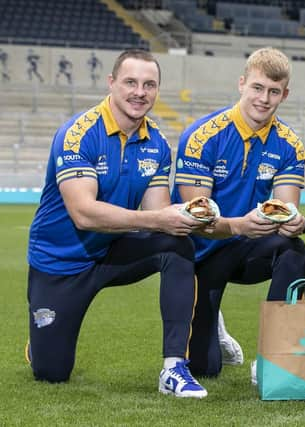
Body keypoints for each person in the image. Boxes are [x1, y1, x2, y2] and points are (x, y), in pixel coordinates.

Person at [26, 49, 208, 398]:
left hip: (112, 250)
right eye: (130, 82)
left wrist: (187, 216)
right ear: (111, 83)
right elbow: (84, 213)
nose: (140, 92)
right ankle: (42, 341)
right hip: (60, 263)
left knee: (177, 245)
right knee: (51, 373)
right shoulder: (78, 134)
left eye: (149, 84)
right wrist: (158, 218)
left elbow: (160, 213)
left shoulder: (156, 143)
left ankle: (174, 368)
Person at [172, 47, 305, 378]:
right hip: (200, 255)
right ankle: (212, 326)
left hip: (244, 247)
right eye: (257, 88)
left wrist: (295, 222)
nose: (264, 99)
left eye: (274, 91)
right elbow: (197, 219)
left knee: (293, 249)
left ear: (284, 94)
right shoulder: (202, 136)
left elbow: (286, 208)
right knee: (206, 369)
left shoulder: (289, 143)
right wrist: (239, 226)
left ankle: (272, 358)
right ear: (242, 83)